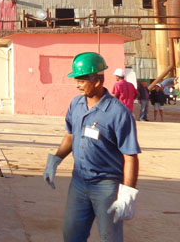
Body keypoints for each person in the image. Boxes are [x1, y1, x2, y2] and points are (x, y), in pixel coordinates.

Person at [43, 52, 140, 242]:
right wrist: (55, 160)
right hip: (79, 182)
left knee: (109, 237)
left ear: (97, 81)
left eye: (81, 80)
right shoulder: (76, 104)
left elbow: (130, 156)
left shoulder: (118, 113)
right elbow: (70, 135)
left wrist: (127, 192)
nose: (77, 84)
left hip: (106, 186)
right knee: (71, 234)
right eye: (76, 80)